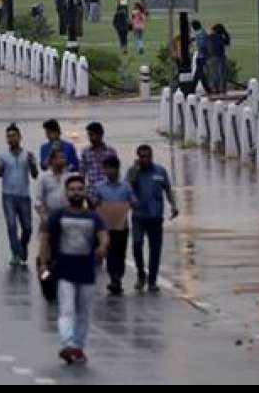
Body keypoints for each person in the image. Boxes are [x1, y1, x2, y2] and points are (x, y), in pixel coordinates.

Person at [39, 174, 108, 365]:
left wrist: (102, 247)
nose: (76, 193)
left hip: (87, 272)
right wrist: (44, 264)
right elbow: (45, 240)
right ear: (66, 193)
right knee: (67, 309)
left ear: (85, 192)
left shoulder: (93, 217)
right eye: (72, 190)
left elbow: (104, 236)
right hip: (64, 271)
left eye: (79, 189)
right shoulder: (58, 216)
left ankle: (78, 347)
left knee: (84, 312)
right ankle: (68, 343)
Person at [128, 144, 179, 292]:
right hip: (138, 216)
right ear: (138, 157)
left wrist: (174, 205)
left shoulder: (160, 171)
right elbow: (127, 187)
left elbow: (168, 190)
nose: (145, 159)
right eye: (142, 156)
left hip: (155, 216)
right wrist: (135, 172)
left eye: (148, 156)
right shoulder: (133, 172)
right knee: (137, 245)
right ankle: (141, 274)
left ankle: (152, 281)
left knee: (155, 249)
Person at [0, 124, 39, 266]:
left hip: (24, 196)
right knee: (11, 225)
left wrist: (32, 164)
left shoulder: (27, 154)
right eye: (9, 136)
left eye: (14, 136)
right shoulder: (3, 156)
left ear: (20, 137)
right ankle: (15, 253)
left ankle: (23, 245)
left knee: (27, 227)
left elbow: (34, 175)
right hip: (8, 195)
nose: (11, 139)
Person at [96, 156, 135, 295]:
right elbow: (95, 203)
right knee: (110, 252)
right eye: (107, 168)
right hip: (106, 226)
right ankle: (114, 278)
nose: (110, 171)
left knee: (120, 252)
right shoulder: (99, 187)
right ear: (104, 170)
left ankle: (118, 276)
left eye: (113, 168)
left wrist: (133, 204)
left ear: (118, 170)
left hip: (121, 225)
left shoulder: (126, 186)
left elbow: (133, 201)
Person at [79, 121, 116, 205]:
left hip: (108, 192)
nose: (90, 138)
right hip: (92, 193)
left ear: (100, 135)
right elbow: (82, 173)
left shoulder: (110, 151)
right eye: (89, 135)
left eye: (92, 135)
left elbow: (115, 173)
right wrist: (83, 192)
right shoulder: (86, 152)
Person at [35, 147, 71, 223]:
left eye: (64, 158)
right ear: (53, 160)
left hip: (67, 217)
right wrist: (44, 217)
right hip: (49, 216)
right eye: (61, 158)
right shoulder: (44, 177)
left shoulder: (69, 177)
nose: (64, 160)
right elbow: (38, 200)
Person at [207, 23, 230, 94]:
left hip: (213, 57)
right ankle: (223, 89)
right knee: (222, 74)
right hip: (222, 56)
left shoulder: (211, 36)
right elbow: (226, 44)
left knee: (214, 74)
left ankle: (215, 89)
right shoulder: (222, 36)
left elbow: (208, 46)